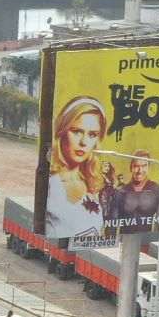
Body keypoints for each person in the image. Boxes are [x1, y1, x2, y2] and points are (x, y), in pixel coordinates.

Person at [44, 96, 109, 242]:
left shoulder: (93, 183)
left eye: (92, 134)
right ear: (62, 131)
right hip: (58, 253)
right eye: (77, 131)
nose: (84, 142)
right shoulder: (50, 184)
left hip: (87, 257)